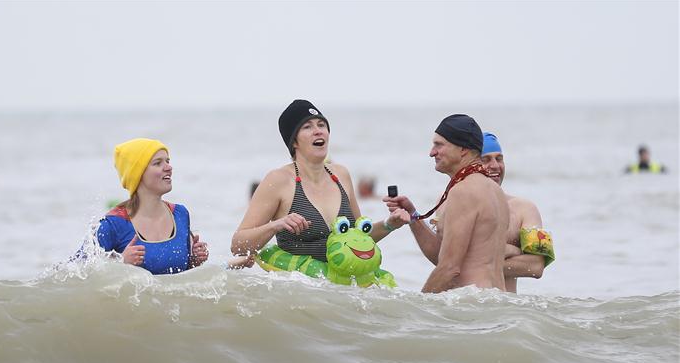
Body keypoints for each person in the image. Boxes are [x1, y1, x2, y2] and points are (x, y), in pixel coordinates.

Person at [230, 99, 408, 270]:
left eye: (321, 125)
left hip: (340, 289)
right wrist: (276, 225)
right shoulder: (278, 180)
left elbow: (359, 239)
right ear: (294, 142)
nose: (318, 131)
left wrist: (389, 224)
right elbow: (238, 245)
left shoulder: (341, 175)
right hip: (303, 292)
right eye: (307, 127)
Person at [384, 114, 509, 293]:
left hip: (472, 306)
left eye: (439, 145)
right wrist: (413, 216)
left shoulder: (463, 191)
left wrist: (417, 310)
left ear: (463, 149)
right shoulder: (495, 191)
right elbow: (444, 257)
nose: (432, 152)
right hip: (495, 302)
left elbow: (450, 269)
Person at [94, 138, 208, 274]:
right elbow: (78, 273)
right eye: (158, 163)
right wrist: (120, 263)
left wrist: (194, 261)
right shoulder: (113, 223)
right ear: (138, 174)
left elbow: (181, 276)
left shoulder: (180, 214)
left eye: (168, 161)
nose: (169, 167)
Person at [480, 132, 554, 293]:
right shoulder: (450, 204)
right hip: (463, 309)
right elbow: (444, 260)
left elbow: (536, 266)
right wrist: (512, 251)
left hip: (507, 312)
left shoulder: (524, 209)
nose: (495, 165)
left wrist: (478, 263)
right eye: (485, 159)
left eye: (499, 159)